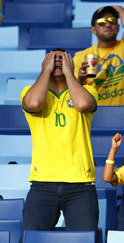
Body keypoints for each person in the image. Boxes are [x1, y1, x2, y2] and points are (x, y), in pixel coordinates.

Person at [20, 49, 99, 235]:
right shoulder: (29, 92)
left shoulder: (88, 90)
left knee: (85, 239)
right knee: (31, 238)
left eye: (62, 58)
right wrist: (44, 72)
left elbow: (83, 105)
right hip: (42, 183)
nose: (57, 61)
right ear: (44, 63)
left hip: (81, 184)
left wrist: (69, 73)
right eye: (52, 58)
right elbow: (33, 104)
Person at [73, 5, 124, 106]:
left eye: (112, 20)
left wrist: (117, 8)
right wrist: (80, 80)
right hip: (94, 117)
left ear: (118, 28)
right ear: (93, 30)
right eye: (101, 22)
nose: (108, 24)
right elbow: (73, 95)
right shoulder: (81, 56)